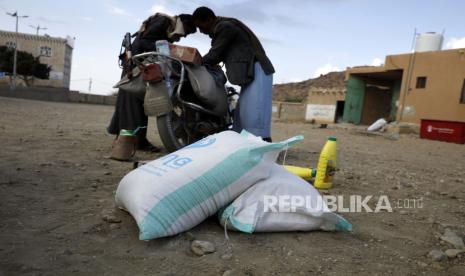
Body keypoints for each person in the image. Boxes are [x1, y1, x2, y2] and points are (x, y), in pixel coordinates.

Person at [107, 13, 196, 152]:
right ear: (183, 23)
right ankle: (137, 142)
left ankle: (125, 139)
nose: (184, 35)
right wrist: (169, 50)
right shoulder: (163, 21)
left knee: (130, 102)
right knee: (133, 103)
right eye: (188, 31)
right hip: (137, 66)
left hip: (139, 64)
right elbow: (144, 42)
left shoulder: (167, 25)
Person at [192, 6, 275, 142]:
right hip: (251, 72)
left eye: (201, 26)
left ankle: (263, 151)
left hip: (257, 70)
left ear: (209, 19)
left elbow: (215, 53)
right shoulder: (224, 27)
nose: (201, 31)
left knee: (255, 116)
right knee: (242, 118)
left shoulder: (225, 27)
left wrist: (197, 62)